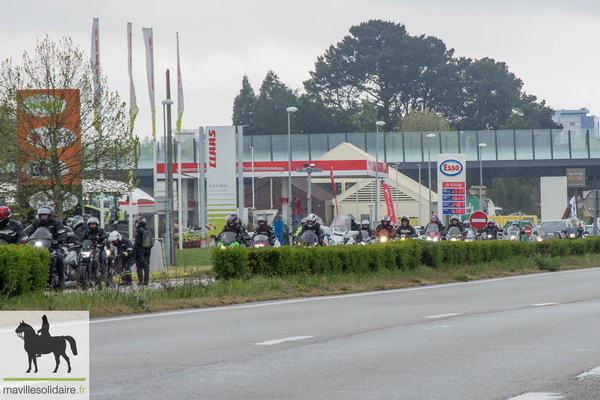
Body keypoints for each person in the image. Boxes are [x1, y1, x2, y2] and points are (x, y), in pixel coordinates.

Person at [24, 206, 68, 285]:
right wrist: (25, 238)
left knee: (58, 256)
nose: (43, 217)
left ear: (49, 215)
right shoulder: (36, 223)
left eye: (45, 215)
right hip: (39, 246)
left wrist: (60, 239)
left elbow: (62, 232)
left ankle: (61, 278)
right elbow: (29, 232)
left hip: (53, 246)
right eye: (42, 215)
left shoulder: (56, 223)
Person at [134, 216, 152, 285]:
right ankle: (146, 281)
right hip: (148, 250)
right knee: (146, 266)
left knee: (139, 266)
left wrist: (134, 250)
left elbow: (137, 242)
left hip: (140, 251)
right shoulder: (147, 229)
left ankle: (141, 281)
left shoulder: (139, 230)